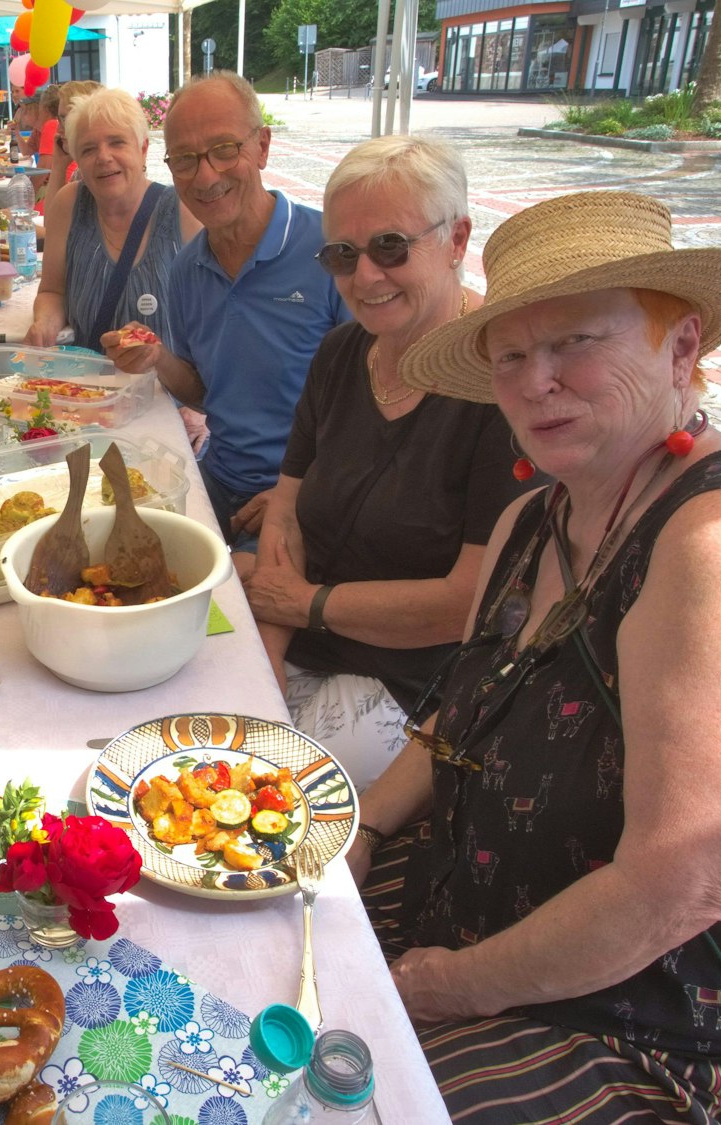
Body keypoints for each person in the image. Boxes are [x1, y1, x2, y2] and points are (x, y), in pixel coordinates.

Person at [351, 190, 721, 1121]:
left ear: (682, 347)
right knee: (260, 918)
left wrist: (443, 986)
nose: (536, 382)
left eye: (575, 342)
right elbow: (463, 712)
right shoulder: (534, 519)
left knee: (351, 1095)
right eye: (511, 355)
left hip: (674, 1016)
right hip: (482, 901)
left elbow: (678, 888)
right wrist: (358, 828)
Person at [240, 136, 538, 789]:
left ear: (458, 239)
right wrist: (266, 654)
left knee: (249, 789)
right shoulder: (342, 353)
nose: (365, 276)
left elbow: (469, 602)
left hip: (415, 684)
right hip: (302, 638)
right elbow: (286, 511)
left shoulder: (501, 383)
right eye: (342, 255)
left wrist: (309, 605)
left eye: (391, 247)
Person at [103, 72, 348, 539]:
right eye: (185, 160)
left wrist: (299, 495)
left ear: (262, 147)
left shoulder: (334, 251)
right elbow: (204, 393)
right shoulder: (187, 268)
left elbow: (380, 411)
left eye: (224, 149)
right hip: (218, 479)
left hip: (315, 498)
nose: (205, 176)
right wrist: (157, 357)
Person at [25, 88, 200, 351]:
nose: (104, 157)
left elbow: (211, 316)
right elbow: (52, 291)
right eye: (88, 149)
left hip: (163, 376)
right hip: (86, 375)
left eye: (117, 143)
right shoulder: (68, 205)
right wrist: (45, 325)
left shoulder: (183, 210)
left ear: (142, 149)